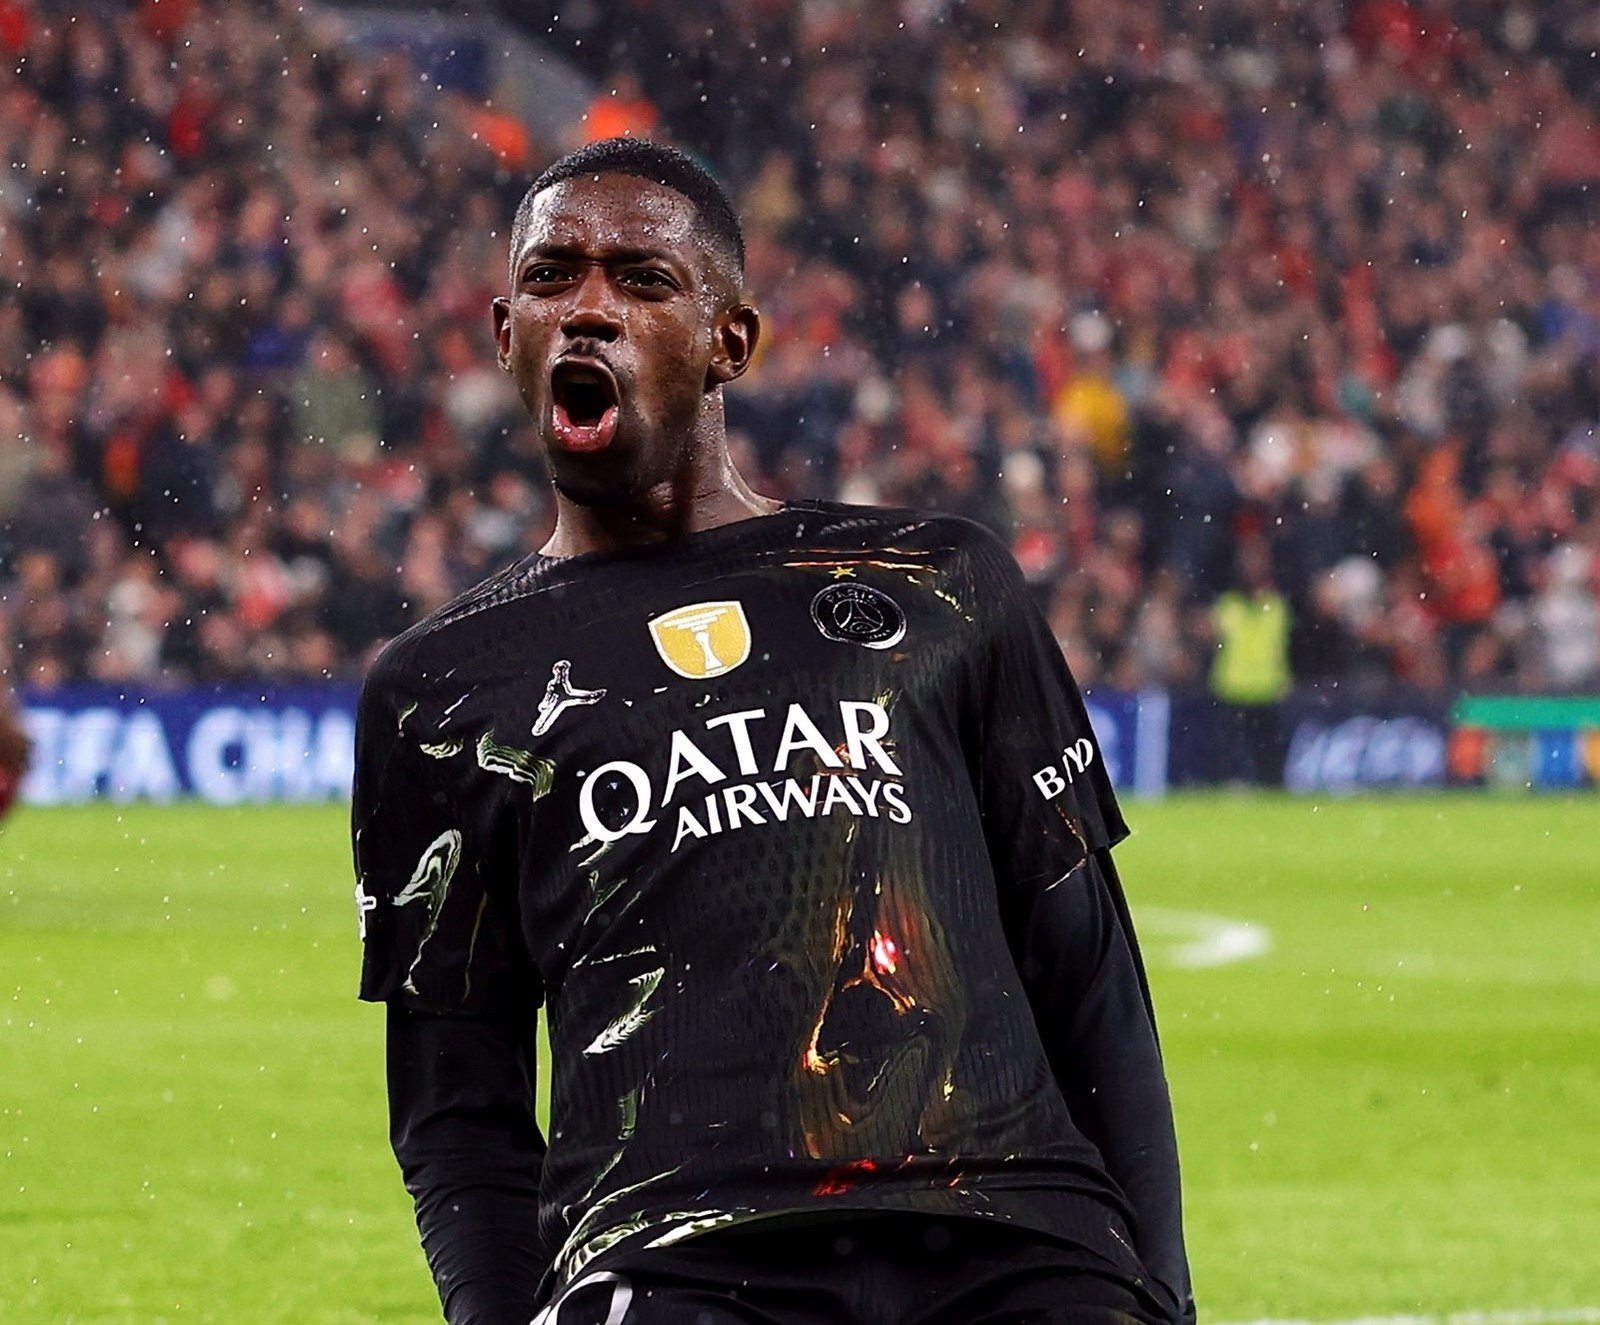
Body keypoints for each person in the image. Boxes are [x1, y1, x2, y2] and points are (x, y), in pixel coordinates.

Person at [352, 138, 1194, 1325]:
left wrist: (1157, 1294)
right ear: (506, 334)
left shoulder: (938, 582)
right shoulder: (438, 691)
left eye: (642, 279)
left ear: (727, 342)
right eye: (552, 277)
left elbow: (1090, 973)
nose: (587, 307)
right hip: (673, 1263)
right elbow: (458, 1109)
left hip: (1014, 1237)